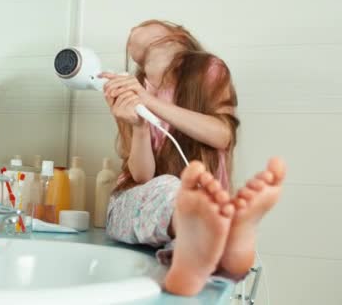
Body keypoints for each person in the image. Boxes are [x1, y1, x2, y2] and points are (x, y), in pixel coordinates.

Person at [101, 20, 286, 295]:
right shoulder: (134, 87)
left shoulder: (208, 69)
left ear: (178, 36)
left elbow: (221, 135)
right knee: (175, 192)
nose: (134, 34)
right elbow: (141, 177)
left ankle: (204, 257)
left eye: (149, 33)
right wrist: (138, 126)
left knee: (196, 210)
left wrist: (149, 102)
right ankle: (223, 239)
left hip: (198, 212)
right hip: (135, 206)